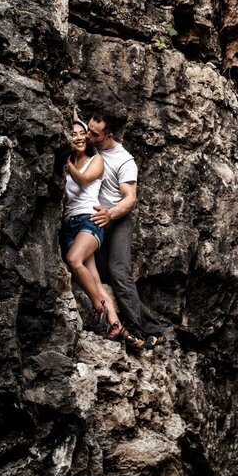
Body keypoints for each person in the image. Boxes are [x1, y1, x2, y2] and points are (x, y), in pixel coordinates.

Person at [87, 109, 165, 351]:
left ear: (108, 135)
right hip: (95, 221)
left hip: (116, 220)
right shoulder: (90, 144)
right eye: (88, 130)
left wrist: (109, 214)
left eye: (95, 134)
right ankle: (153, 329)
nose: (89, 136)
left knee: (119, 273)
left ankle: (137, 330)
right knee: (101, 275)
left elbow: (130, 199)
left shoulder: (124, 160)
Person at [60, 118, 125, 341]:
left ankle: (97, 307)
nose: (77, 137)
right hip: (70, 225)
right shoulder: (68, 167)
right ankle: (116, 325)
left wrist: (65, 161)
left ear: (87, 138)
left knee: (73, 260)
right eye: (73, 134)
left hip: (90, 220)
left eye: (81, 133)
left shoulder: (96, 161)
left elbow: (84, 180)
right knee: (93, 279)